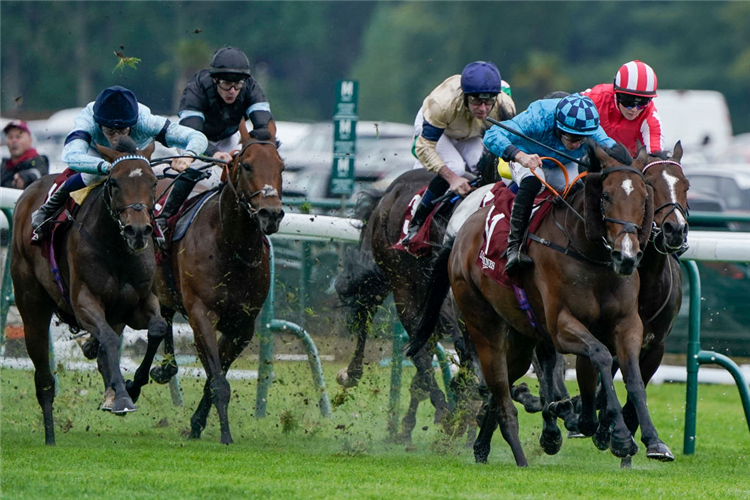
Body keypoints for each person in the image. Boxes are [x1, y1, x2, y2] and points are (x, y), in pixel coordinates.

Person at [30, 86, 207, 240]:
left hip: (136, 153)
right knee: (94, 175)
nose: (116, 138)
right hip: (97, 151)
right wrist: (106, 167)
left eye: (122, 130)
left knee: (142, 180)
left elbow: (196, 137)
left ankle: (158, 222)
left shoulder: (146, 121)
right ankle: (48, 208)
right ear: (99, 124)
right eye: (110, 131)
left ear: (133, 123)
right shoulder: (88, 120)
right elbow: (71, 156)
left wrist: (188, 155)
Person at [483, 94, 616, 274]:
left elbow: (613, 150)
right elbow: (492, 134)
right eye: (572, 138)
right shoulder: (538, 117)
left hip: (560, 163)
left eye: (581, 139)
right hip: (525, 157)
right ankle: (514, 246)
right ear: (559, 128)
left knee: (577, 192)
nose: (577, 145)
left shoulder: (591, 128)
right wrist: (521, 157)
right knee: (533, 182)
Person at [401, 61, 516, 245]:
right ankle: (417, 223)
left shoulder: (504, 105)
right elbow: (424, 147)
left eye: (488, 102)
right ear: (465, 96)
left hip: (469, 131)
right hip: (440, 130)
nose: (484, 109)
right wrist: (453, 179)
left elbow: (507, 143)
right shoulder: (442, 103)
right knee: (455, 166)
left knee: (481, 166)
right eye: (476, 101)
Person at [172, 46, 276, 224]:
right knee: (193, 170)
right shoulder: (195, 89)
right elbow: (193, 134)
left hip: (228, 137)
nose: (233, 91)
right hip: (192, 140)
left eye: (237, 85)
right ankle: (166, 217)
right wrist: (213, 153)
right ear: (214, 79)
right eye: (227, 84)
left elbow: (263, 125)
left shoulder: (250, 86)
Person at [581, 60, 664, 155]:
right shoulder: (594, 98)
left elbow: (655, 155)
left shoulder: (651, 118)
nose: (634, 109)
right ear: (616, 94)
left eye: (642, 103)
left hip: (629, 165)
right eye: (628, 102)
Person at [1, 120, 48, 189]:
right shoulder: (4, 166)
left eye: (18, 137)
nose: (14, 141)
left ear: (30, 140)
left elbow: (39, 173)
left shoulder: (38, 161)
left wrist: (27, 177)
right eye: (10, 137)